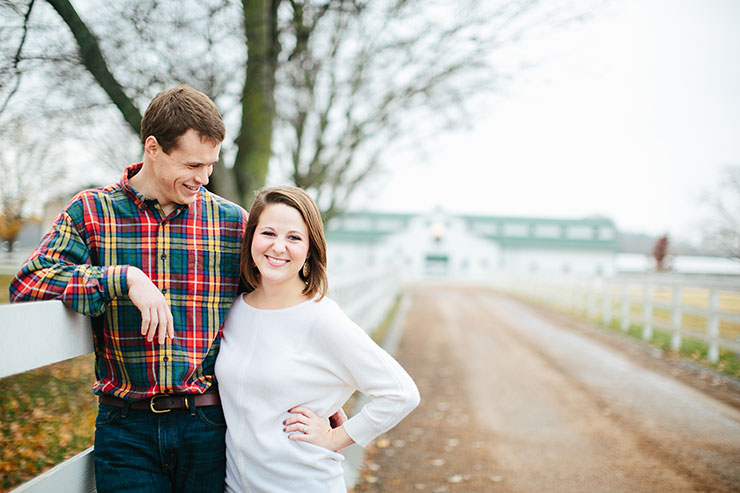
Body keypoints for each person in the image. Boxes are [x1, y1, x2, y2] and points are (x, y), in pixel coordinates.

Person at [9, 84, 247, 492]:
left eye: (210, 165)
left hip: (208, 423)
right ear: (152, 148)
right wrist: (123, 279)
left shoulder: (231, 223)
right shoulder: (92, 212)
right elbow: (30, 281)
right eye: (192, 165)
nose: (203, 178)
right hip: (126, 428)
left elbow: (280, 306)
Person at [214, 186, 420, 493]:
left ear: (310, 249)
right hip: (236, 486)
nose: (278, 247)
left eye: (294, 237)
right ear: (251, 238)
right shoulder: (233, 310)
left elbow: (401, 393)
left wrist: (336, 438)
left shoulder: (321, 318)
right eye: (268, 233)